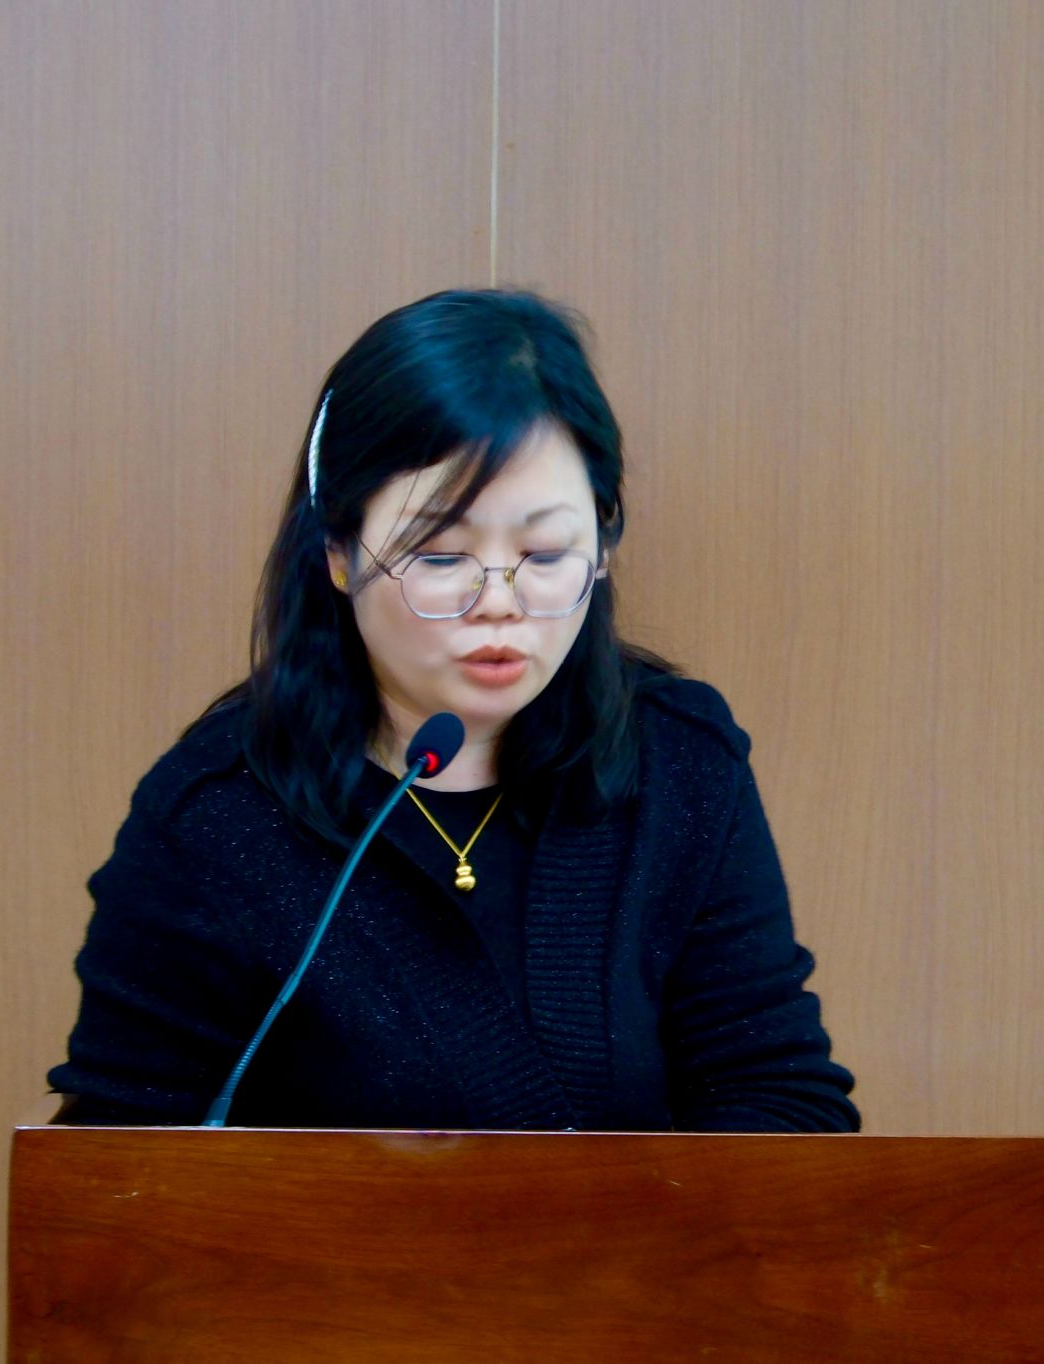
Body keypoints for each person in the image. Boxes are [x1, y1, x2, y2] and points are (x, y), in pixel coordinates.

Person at [48, 288, 858, 1132]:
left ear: (603, 546)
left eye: (546, 553)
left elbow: (781, 1099)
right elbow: (118, 1163)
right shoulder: (214, 819)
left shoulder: (678, 762)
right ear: (337, 553)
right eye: (440, 557)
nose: (499, 602)